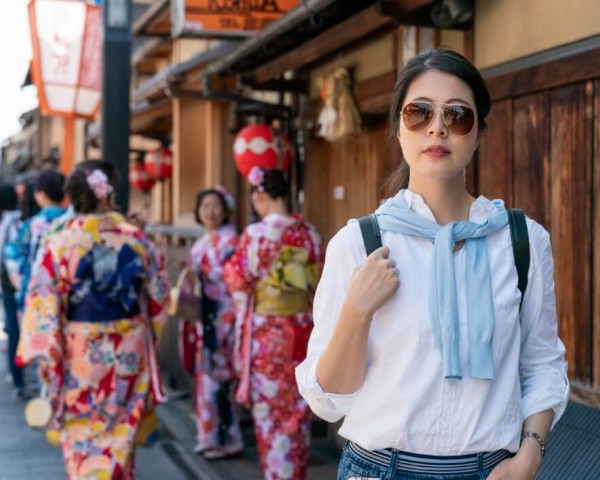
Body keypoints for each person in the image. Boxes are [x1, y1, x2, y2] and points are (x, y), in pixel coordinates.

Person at [295, 48, 569, 480]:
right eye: (419, 113)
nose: (437, 127)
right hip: (378, 468)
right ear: (399, 129)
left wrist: (529, 458)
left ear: (479, 132)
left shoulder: (522, 241)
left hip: (492, 471)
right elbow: (327, 399)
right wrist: (356, 311)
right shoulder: (360, 243)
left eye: (457, 115)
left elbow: (542, 363)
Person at [16, 160, 170, 479]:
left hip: (78, 354)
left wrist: (49, 362)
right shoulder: (136, 239)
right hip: (128, 352)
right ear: (107, 193)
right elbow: (158, 297)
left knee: (81, 436)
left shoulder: (58, 240)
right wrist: (147, 336)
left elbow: (42, 305)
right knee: (121, 437)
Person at [224, 167, 323, 480]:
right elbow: (319, 280)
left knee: (270, 414)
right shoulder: (309, 233)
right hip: (303, 331)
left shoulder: (255, 235)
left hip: (268, 335)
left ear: (260, 196)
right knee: (297, 411)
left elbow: (238, 280)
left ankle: (277, 474)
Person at [186, 186, 244, 459]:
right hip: (205, 317)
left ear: (225, 210)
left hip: (224, 316)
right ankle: (209, 436)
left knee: (221, 379)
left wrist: (203, 275)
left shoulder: (232, 241)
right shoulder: (201, 243)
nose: (209, 211)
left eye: (215, 206)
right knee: (206, 379)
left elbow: (233, 278)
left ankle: (227, 439)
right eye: (204, 206)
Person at [0, 185, 24, 399]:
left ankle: (17, 379)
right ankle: (21, 377)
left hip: (7, 285)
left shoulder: (4, 222)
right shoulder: (16, 221)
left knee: (13, 329)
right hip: (18, 285)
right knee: (19, 330)